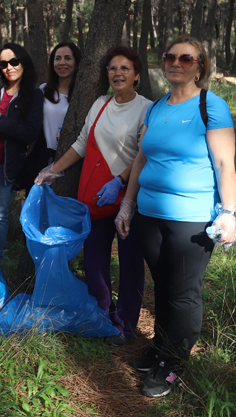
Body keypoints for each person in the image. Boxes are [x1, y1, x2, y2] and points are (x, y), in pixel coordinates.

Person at [115, 36, 236, 398]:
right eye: (170, 56)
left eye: (187, 58)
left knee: (184, 291)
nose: (176, 63)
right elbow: (141, 158)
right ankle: (163, 344)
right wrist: (128, 203)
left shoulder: (210, 106)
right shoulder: (156, 107)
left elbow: (224, 163)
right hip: (149, 215)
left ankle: (174, 361)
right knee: (165, 285)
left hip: (193, 218)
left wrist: (228, 213)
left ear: (200, 66)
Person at [36, 46, 152, 347]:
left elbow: (145, 153)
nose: (118, 74)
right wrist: (54, 170)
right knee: (94, 260)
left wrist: (120, 182)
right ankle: (102, 313)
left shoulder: (146, 108)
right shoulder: (100, 103)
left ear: (136, 74)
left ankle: (126, 323)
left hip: (129, 198)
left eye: (125, 68)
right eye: (112, 69)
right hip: (96, 198)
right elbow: (82, 143)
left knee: (129, 263)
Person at [0, 43, 44, 265]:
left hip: (5, 165)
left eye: (14, 62)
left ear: (24, 63)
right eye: (3, 63)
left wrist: (0, 120)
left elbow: (30, 133)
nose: (9, 67)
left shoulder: (33, 94)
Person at [19, 42, 82, 188]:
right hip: (42, 156)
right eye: (57, 58)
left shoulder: (82, 96)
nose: (62, 63)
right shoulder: (43, 90)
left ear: (77, 62)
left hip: (72, 159)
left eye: (68, 58)